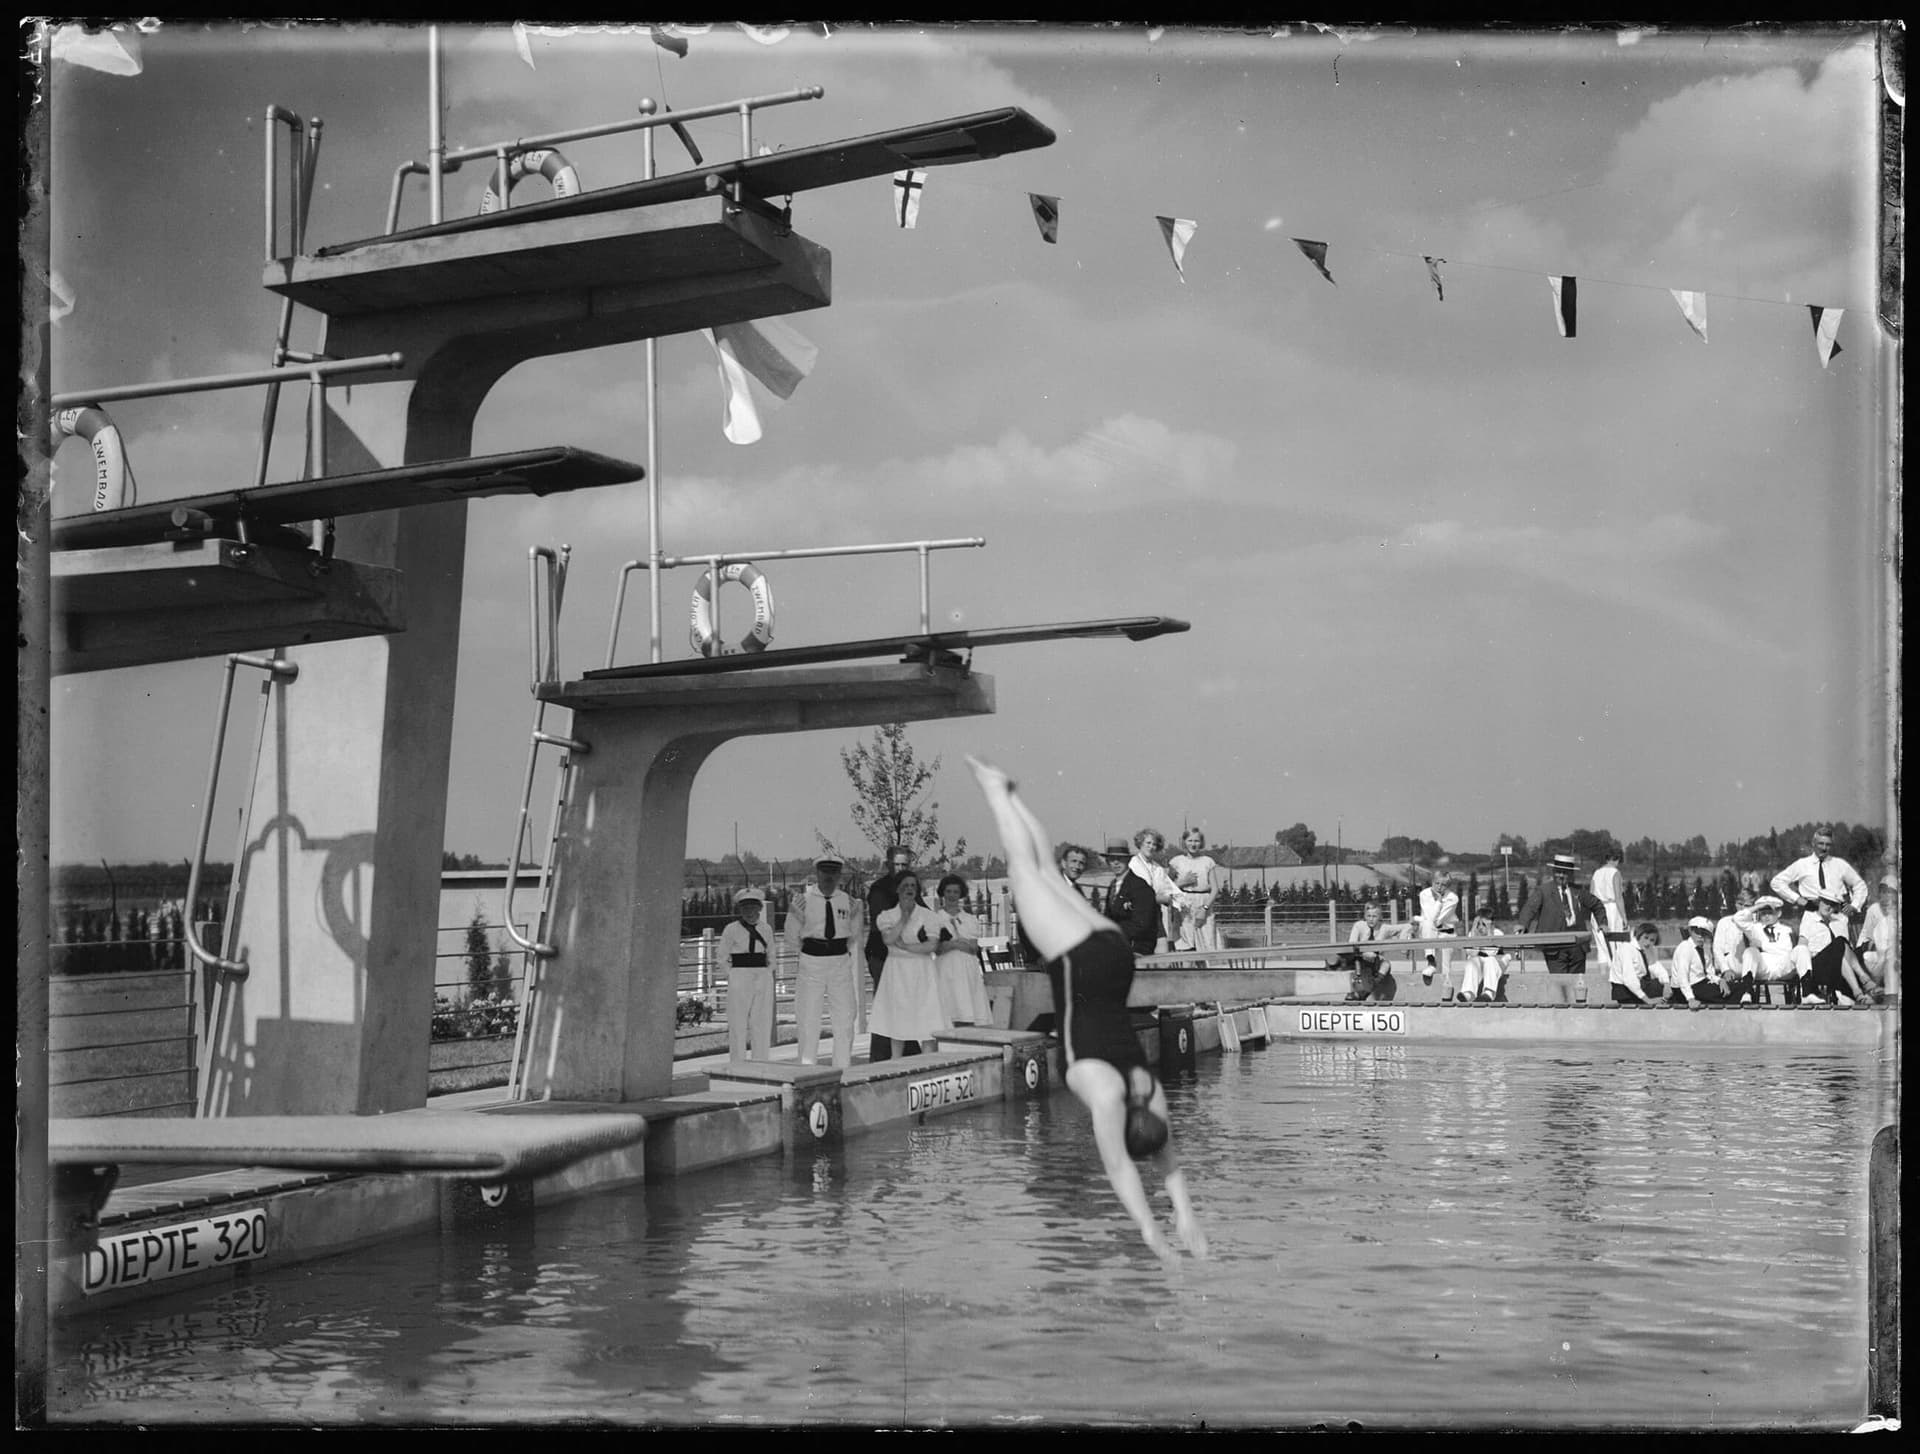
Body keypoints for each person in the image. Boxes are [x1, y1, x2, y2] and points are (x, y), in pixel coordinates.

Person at [967, 754, 1206, 1261]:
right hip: (1080, 960)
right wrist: (1150, 1231)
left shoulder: (1147, 1087)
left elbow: (1169, 1160)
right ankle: (995, 792)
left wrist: (1184, 1215)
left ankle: (1010, 794)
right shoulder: (1102, 1092)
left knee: (1046, 872)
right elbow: (1120, 1168)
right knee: (1024, 872)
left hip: (1115, 957)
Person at [788, 855, 860, 1068]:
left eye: (834, 872)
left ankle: (842, 1070)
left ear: (839, 874)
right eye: (825, 871)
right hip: (812, 962)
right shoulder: (803, 900)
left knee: (845, 1020)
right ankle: (807, 1071)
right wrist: (811, 951)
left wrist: (836, 951)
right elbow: (792, 937)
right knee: (809, 1019)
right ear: (817, 873)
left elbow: (854, 935)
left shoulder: (848, 901)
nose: (829, 876)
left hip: (839, 962)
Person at [868, 870, 948, 1056]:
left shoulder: (928, 916)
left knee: (927, 1019)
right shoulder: (887, 916)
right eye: (905, 886)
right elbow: (888, 939)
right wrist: (903, 919)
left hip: (922, 970)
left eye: (913, 886)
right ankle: (897, 1063)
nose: (909, 889)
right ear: (897, 889)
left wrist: (905, 946)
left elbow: (931, 945)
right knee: (899, 1019)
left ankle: (927, 1063)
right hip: (897, 971)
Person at [864, 844, 916, 1062]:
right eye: (897, 864)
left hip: (904, 955)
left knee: (907, 1002)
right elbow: (881, 923)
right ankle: (880, 1056)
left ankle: (909, 1048)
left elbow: (923, 912)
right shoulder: (879, 889)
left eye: (905, 864)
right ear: (888, 865)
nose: (901, 868)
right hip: (882, 955)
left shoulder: (911, 886)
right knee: (885, 1003)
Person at [1515, 852, 1605, 975]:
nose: (1561, 875)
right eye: (1558, 871)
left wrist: (1603, 923)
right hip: (1554, 947)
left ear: (1571, 874)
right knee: (1559, 983)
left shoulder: (1579, 891)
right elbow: (1529, 908)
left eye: (1565, 872)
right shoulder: (1544, 891)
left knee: (1577, 984)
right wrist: (1523, 924)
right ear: (1553, 872)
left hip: (1577, 946)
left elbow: (1597, 905)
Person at [1771, 829, 1868, 944]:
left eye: (1828, 844)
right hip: (1812, 913)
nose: (1824, 848)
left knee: (1841, 950)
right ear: (1813, 843)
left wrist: (1855, 905)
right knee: (1809, 950)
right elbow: (1777, 882)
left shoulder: (1839, 864)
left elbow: (1859, 885)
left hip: (1837, 915)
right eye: (1820, 843)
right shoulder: (1802, 864)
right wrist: (1797, 899)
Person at [720, 888, 777, 1060]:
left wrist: (768, 972)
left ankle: (760, 1060)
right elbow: (722, 956)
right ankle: (737, 1061)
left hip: (762, 974)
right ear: (740, 910)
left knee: (761, 1019)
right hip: (740, 974)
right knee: (738, 1020)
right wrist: (732, 975)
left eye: (753, 908)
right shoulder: (731, 929)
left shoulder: (766, 929)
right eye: (745, 908)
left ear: (760, 909)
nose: (750, 912)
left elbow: (772, 954)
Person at [1790, 896, 1877, 1006]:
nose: (1828, 906)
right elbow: (1801, 948)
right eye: (1826, 902)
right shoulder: (1809, 918)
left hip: (1836, 966)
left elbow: (1846, 949)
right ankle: (1864, 983)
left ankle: (1859, 992)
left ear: (1836, 907)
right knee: (1839, 942)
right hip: (1816, 967)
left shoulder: (1840, 920)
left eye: (1832, 904)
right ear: (1819, 902)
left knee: (1846, 949)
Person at [931, 873, 993, 1026]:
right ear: (943, 893)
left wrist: (953, 943)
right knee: (947, 1010)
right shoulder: (935, 918)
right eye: (948, 891)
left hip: (967, 969)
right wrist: (959, 943)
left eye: (955, 892)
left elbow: (973, 948)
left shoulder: (970, 920)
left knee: (968, 1008)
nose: (952, 895)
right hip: (945, 968)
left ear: (961, 894)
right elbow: (938, 948)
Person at [1105, 830, 1171, 956]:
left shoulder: (1141, 882)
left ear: (1127, 860)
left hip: (1138, 943)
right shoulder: (1113, 886)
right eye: (1112, 859)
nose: (1116, 862)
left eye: (1120, 859)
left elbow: (1142, 924)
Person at [1732, 895, 1800, 1004]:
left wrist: (1762, 945)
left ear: (1778, 913)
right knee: (1750, 951)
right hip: (1764, 966)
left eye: (1770, 912)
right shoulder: (1754, 928)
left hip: (1783, 966)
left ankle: (1806, 993)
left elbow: (1786, 950)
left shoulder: (1786, 930)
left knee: (1800, 950)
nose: (1766, 916)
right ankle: (1747, 992)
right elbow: (1737, 918)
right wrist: (1759, 906)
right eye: (1763, 913)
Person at [1339, 900, 1407, 1002]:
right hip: (1359, 958)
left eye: (1374, 916)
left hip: (1374, 961)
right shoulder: (1359, 926)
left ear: (1379, 917)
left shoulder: (1384, 928)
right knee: (1346, 958)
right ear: (1365, 916)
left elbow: (1407, 926)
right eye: (1368, 916)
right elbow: (1351, 944)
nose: (1371, 919)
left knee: (1386, 964)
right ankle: (1361, 991)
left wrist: (1402, 940)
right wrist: (1364, 953)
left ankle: (1364, 992)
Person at [1166, 828, 1221, 951]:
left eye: (1196, 841)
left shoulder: (1208, 861)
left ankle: (1209, 968)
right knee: (1186, 943)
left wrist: (1204, 909)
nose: (1193, 844)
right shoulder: (1176, 862)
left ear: (1201, 842)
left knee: (1208, 942)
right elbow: (1167, 887)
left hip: (1204, 904)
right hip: (1184, 906)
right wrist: (1183, 882)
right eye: (1190, 840)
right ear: (1184, 842)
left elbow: (1215, 889)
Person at [1417, 868, 1462, 998]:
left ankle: (1447, 995)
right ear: (1432, 882)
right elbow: (1429, 918)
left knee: (1446, 969)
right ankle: (1430, 959)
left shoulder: (1453, 898)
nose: (1439, 887)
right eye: (1437, 883)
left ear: (1448, 886)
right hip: (1430, 933)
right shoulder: (1424, 894)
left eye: (1443, 885)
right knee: (1426, 923)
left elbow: (1437, 920)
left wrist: (1438, 900)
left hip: (1446, 932)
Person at [1713, 886, 1761, 1003]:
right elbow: (1717, 949)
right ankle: (1746, 991)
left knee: (1753, 954)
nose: (1743, 909)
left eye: (1748, 906)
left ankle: (1747, 990)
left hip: (1753, 965)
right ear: (1735, 904)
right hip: (1731, 964)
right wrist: (1725, 969)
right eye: (1740, 904)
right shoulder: (1725, 922)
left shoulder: (1756, 924)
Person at [1666, 916, 1726, 1008]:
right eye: (1697, 931)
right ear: (1690, 931)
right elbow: (1682, 975)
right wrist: (1690, 998)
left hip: (1700, 984)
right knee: (1726, 997)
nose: (1700, 935)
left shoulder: (1705, 950)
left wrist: (1720, 980)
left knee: (1732, 988)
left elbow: (1708, 973)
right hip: (1684, 990)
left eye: (1704, 933)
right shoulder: (1685, 947)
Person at [1459, 910, 1510, 1004]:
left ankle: (1489, 992)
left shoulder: (1498, 933)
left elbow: (1491, 952)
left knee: (1489, 960)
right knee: (1472, 961)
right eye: (1479, 923)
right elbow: (1471, 952)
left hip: (1496, 964)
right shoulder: (1473, 933)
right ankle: (1468, 993)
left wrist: (1489, 932)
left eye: (1484, 924)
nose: (1481, 927)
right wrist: (1475, 933)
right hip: (1480, 963)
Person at [1610, 921, 1665, 1005]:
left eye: (1652, 940)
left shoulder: (1644, 949)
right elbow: (1629, 979)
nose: (1648, 943)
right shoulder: (1627, 949)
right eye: (1646, 938)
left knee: (1673, 984)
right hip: (1626, 992)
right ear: (1638, 935)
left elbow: (1656, 967)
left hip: (1640, 986)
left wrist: (1667, 983)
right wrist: (1648, 1000)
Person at [1858, 875, 1897, 994]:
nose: (1885, 897)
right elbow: (1865, 939)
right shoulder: (1874, 910)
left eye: (1889, 892)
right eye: (1882, 892)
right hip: (1875, 955)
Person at [1591, 848, 1627, 934]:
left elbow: (1591, 895)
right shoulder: (1615, 872)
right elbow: (1618, 897)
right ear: (1617, 859)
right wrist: (1624, 917)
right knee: (1615, 941)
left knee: (1601, 942)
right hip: (1612, 909)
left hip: (1597, 909)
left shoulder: (1596, 873)